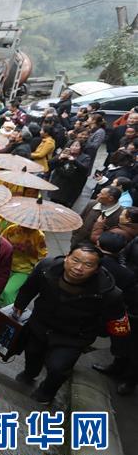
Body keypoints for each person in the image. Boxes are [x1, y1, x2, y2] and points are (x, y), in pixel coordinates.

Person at [13, 243, 130, 404]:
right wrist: (19, 305)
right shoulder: (46, 268)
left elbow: (117, 321)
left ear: (96, 269)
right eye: (75, 260)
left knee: (58, 368)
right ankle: (30, 373)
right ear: (67, 257)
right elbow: (29, 288)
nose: (79, 268)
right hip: (40, 324)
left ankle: (46, 392)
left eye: (88, 265)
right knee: (33, 353)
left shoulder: (108, 292)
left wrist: (118, 349)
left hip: (73, 337)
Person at [91, 233, 138, 395]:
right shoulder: (135, 241)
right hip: (129, 294)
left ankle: (130, 381)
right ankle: (117, 367)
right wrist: (125, 271)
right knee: (123, 339)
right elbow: (124, 254)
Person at [0, 223, 47, 306]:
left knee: (8, 291)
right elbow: (1, 243)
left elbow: (42, 255)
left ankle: (10, 312)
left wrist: (30, 249)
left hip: (24, 270)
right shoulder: (12, 229)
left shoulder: (39, 236)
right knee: (0, 291)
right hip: (6, 265)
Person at [48, 141, 92, 208]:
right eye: (72, 145)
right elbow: (50, 163)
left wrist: (74, 161)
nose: (73, 147)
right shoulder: (65, 153)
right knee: (52, 205)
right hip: (58, 184)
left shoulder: (85, 157)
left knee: (64, 208)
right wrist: (59, 157)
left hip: (71, 188)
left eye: (76, 146)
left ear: (81, 148)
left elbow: (84, 169)